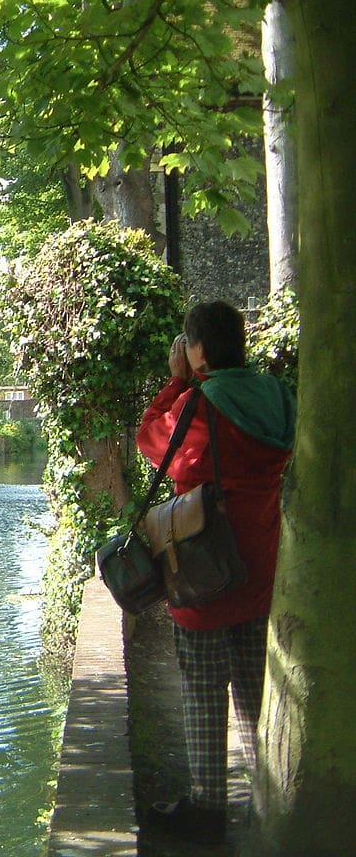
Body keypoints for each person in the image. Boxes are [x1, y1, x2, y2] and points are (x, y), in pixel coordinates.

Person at [137, 300, 295, 845]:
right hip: (264, 560)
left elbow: (157, 446)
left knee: (205, 692)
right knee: (255, 686)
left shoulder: (203, 402)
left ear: (198, 348)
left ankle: (207, 812)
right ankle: (265, 798)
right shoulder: (275, 394)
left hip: (205, 565)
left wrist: (177, 383)